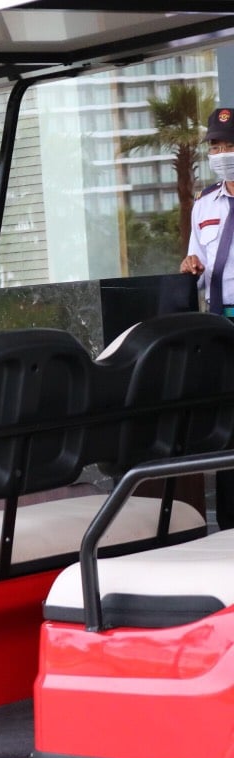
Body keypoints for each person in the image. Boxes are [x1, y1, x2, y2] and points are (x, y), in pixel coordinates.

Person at [180, 106, 234, 530]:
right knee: (227, 426)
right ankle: (230, 526)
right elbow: (197, 266)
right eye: (215, 146)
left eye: (228, 145)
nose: (221, 153)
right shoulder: (204, 204)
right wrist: (190, 268)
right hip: (219, 326)